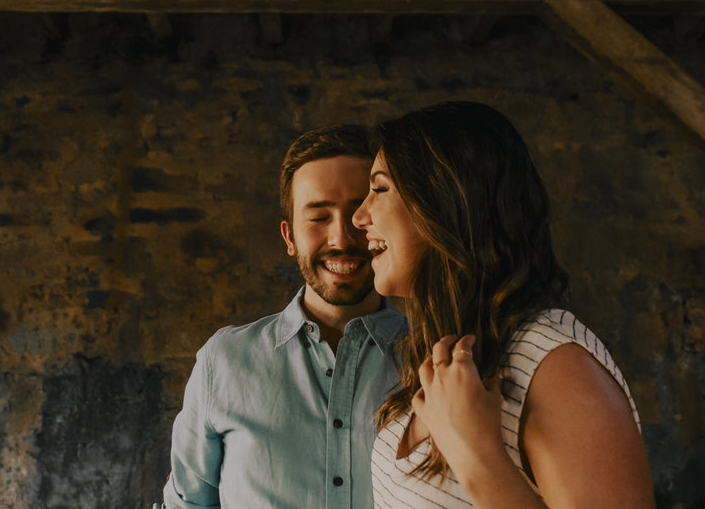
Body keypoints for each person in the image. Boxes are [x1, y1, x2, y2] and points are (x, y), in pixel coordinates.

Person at [352, 101, 655, 509]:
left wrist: (476, 456)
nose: (358, 216)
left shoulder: (557, 365)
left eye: (380, 189)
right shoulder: (450, 355)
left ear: (446, 201)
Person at [160, 124, 408, 509]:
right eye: (318, 217)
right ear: (289, 236)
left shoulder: (436, 360)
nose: (342, 239)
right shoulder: (223, 361)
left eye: (359, 213)